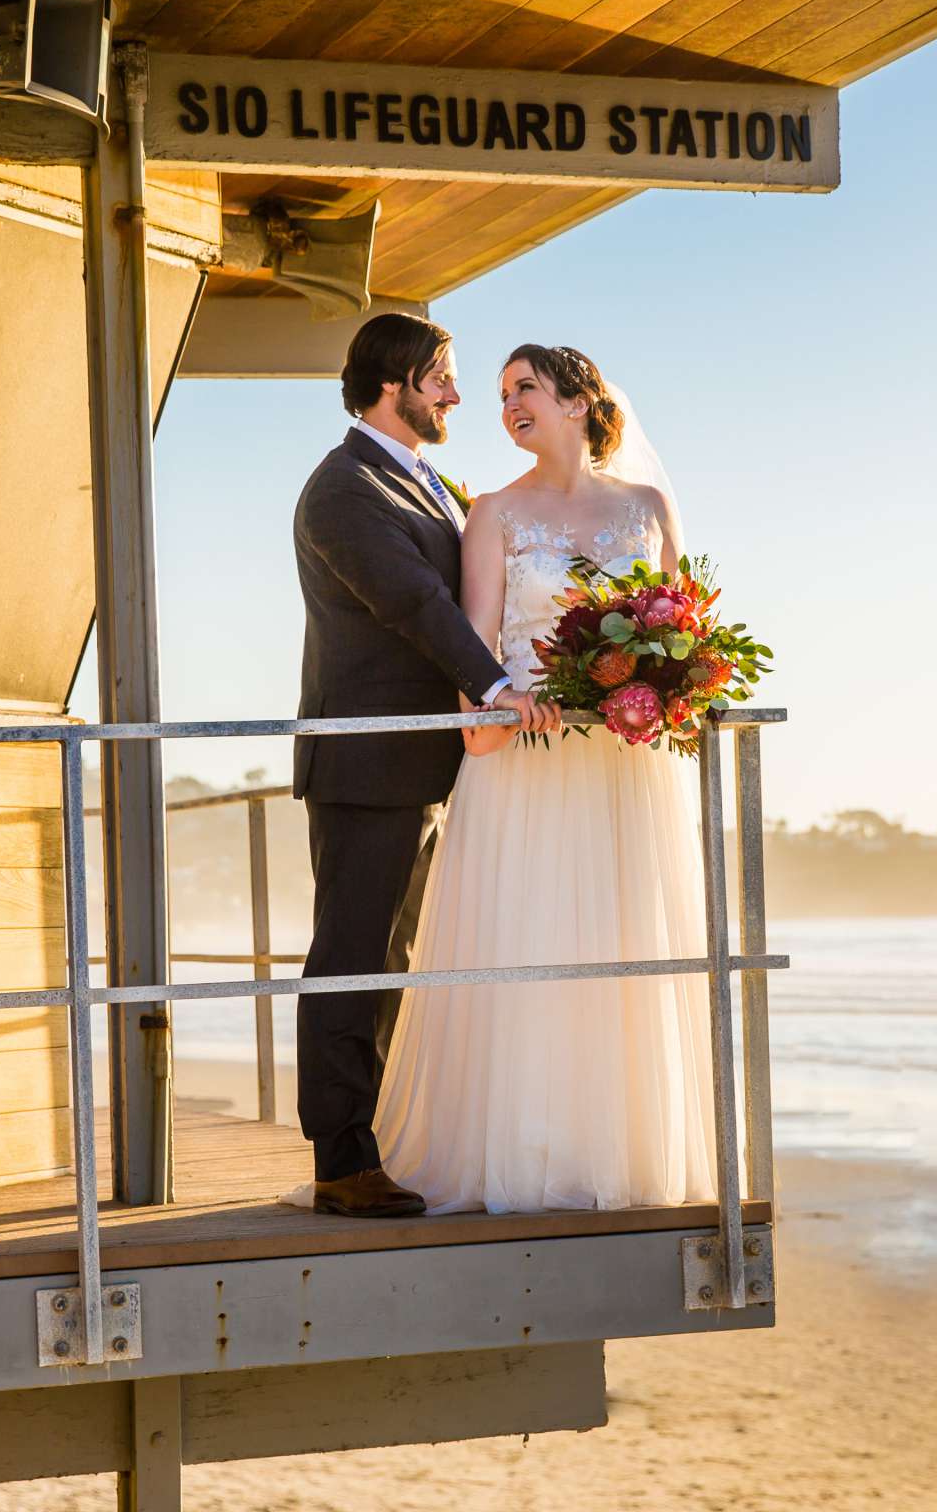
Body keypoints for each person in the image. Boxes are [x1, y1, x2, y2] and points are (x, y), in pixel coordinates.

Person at [371, 344, 719, 1213]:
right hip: (525, 760)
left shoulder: (647, 506)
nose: (508, 406)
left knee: (615, 943)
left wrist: (664, 691)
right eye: (499, 396)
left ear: (576, 398)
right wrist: (490, 720)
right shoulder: (492, 513)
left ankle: (619, 1156)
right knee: (528, 945)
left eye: (524, 388)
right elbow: (475, 641)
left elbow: (682, 629)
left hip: (620, 769)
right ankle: (523, 1157)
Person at [291, 312, 557, 1218]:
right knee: (353, 958)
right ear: (392, 380)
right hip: (367, 763)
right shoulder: (341, 491)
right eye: (440, 376)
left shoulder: (432, 483)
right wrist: (493, 686)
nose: (453, 394)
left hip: (434, 763)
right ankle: (340, 1158)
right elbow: (414, 604)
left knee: (403, 958)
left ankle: (389, 1135)